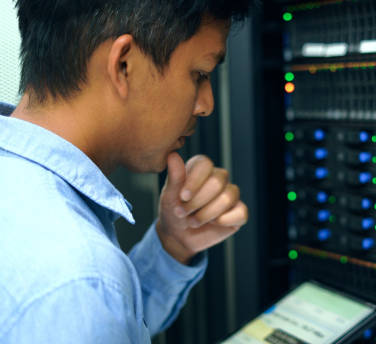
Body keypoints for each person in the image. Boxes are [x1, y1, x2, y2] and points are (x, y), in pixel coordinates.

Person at [0, 0, 252, 342]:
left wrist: (173, 243)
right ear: (124, 65)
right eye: (200, 74)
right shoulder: (77, 281)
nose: (205, 104)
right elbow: (86, 304)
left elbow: (111, 320)